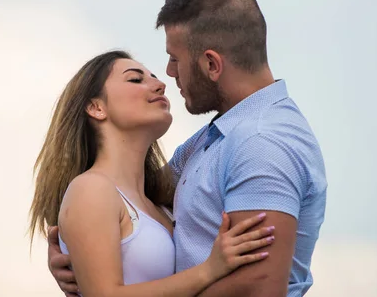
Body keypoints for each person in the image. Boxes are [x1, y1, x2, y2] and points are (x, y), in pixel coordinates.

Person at [49, 0, 327, 297]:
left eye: (174, 59)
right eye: (137, 78)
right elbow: (119, 197)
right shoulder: (207, 143)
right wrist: (76, 252)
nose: (167, 74)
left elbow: (257, 287)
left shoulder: (261, 142)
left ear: (211, 64)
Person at [29, 50, 277, 297]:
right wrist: (209, 270)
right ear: (96, 107)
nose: (160, 85)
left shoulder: (162, 202)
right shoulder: (90, 189)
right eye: (136, 80)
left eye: (154, 77)